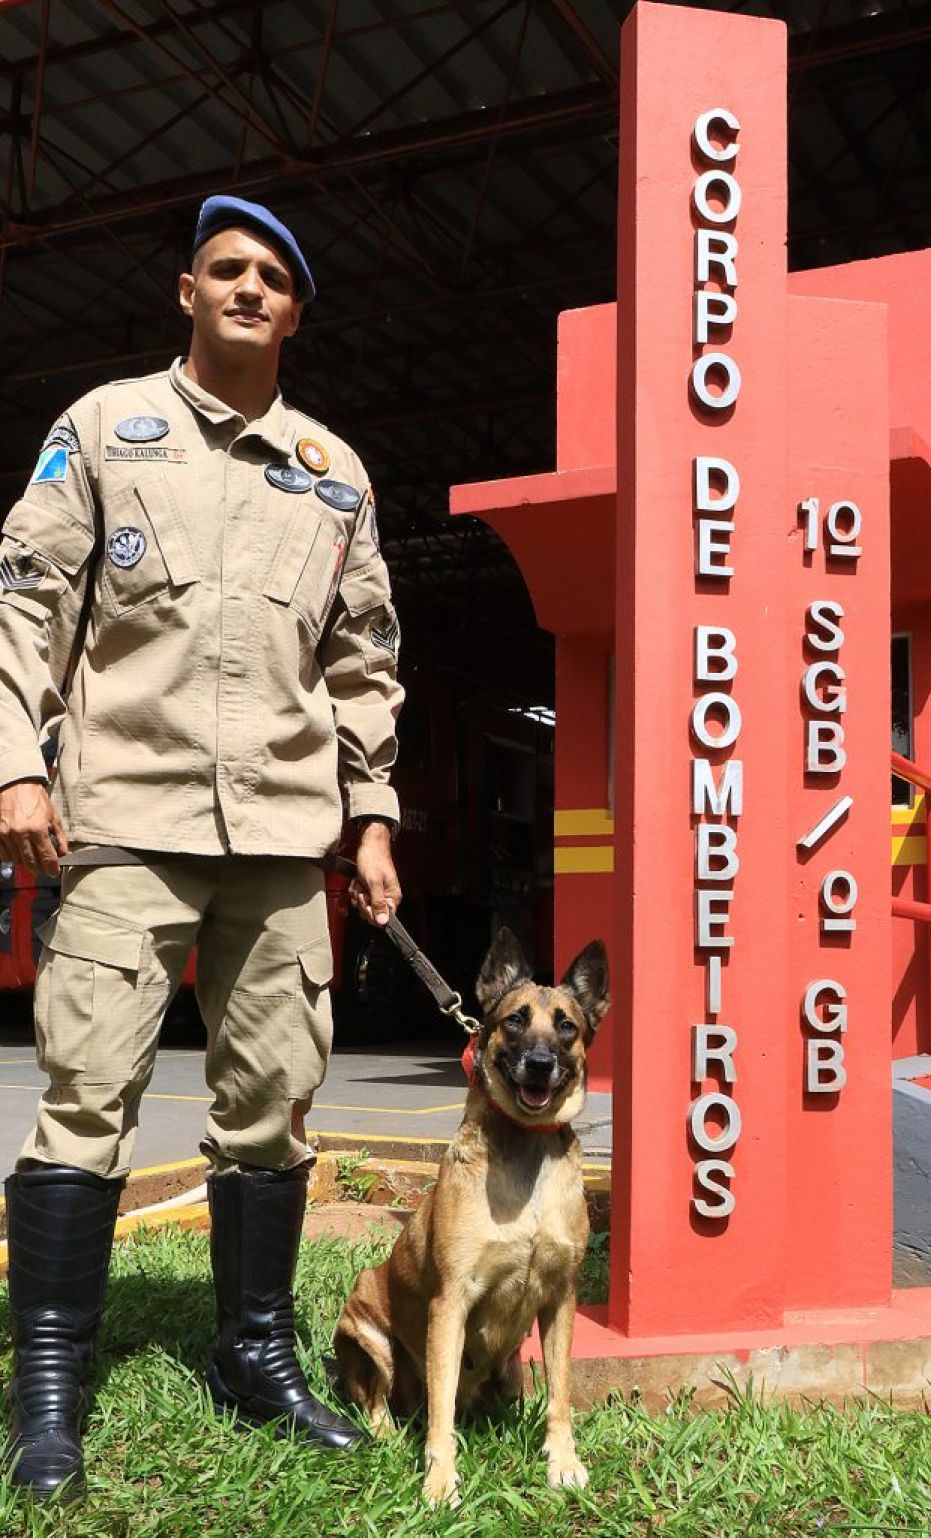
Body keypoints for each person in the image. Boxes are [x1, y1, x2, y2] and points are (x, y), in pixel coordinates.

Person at [0, 195, 404, 1500]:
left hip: (285, 841)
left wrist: (374, 807)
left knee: (271, 1110)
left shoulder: (334, 472)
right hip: (128, 825)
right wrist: (15, 755)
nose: (246, 288)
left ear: (295, 311)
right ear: (186, 290)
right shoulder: (106, 434)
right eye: (224, 268)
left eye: (271, 276)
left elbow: (362, 655)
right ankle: (50, 1388)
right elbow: (31, 600)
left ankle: (254, 1356)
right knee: (86, 1100)